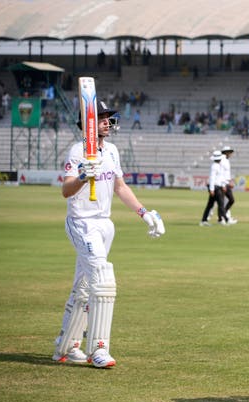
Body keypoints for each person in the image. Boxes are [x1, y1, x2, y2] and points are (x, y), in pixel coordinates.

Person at [53, 100, 165, 368]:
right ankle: (99, 348)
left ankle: (65, 347)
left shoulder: (112, 150)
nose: (107, 121)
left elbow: (120, 187)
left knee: (83, 286)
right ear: (88, 123)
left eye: (107, 117)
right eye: (101, 118)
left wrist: (144, 213)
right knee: (102, 280)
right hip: (82, 223)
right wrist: (82, 176)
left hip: (105, 224)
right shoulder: (78, 150)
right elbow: (66, 191)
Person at [200, 150, 229, 226]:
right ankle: (226, 219)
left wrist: (223, 185)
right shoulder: (214, 166)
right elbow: (212, 178)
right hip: (215, 188)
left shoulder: (218, 166)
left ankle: (204, 220)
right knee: (220, 204)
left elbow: (220, 178)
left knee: (210, 205)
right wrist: (212, 189)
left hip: (217, 187)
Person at [220, 146, 237, 224]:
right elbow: (221, 173)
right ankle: (223, 218)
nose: (230, 154)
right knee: (225, 201)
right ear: (225, 152)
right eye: (229, 152)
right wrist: (225, 183)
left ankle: (224, 216)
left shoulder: (226, 160)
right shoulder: (222, 160)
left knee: (229, 200)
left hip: (226, 183)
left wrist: (230, 181)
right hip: (223, 183)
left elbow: (227, 173)